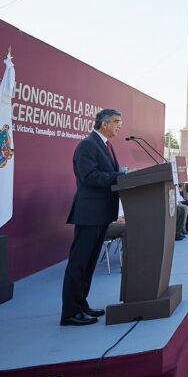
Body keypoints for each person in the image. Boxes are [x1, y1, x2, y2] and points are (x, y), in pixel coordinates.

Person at [61, 109, 128, 326]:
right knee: (79, 263)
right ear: (104, 123)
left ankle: (82, 304)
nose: (119, 125)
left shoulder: (106, 146)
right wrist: (121, 176)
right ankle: (70, 312)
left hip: (101, 215)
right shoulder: (87, 145)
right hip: (89, 213)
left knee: (89, 264)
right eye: (116, 122)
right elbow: (89, 177)